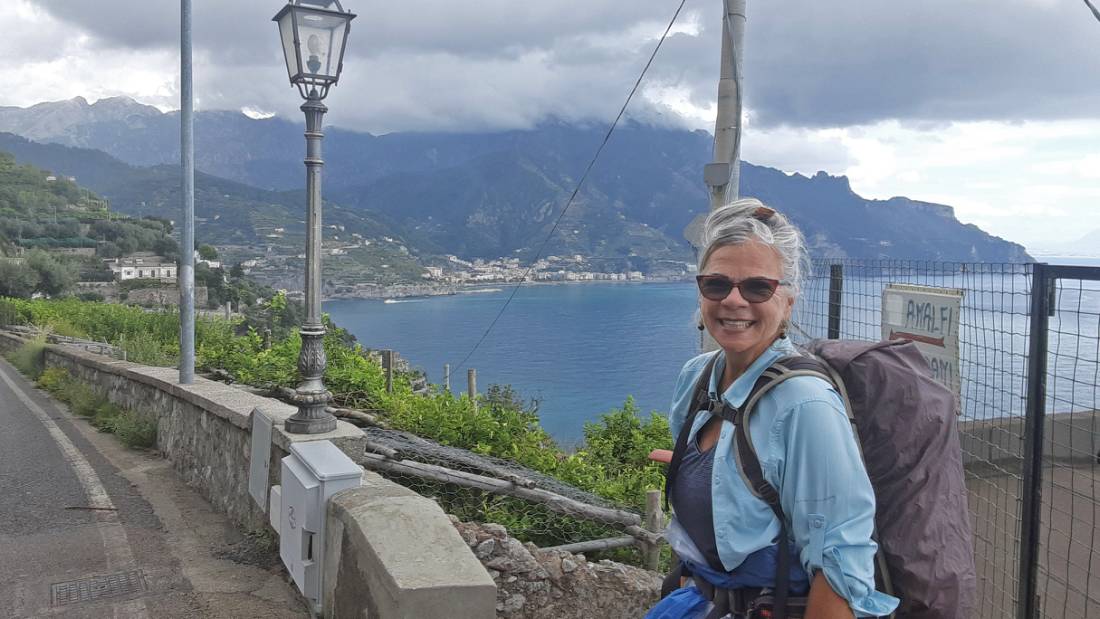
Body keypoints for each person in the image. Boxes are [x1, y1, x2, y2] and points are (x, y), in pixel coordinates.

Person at [649, 199, 899, 619]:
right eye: (716, 284)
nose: (733, 300)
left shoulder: (805, 405)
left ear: (788, 303)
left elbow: (840, 566)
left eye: (757, 287)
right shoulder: (697, 378)